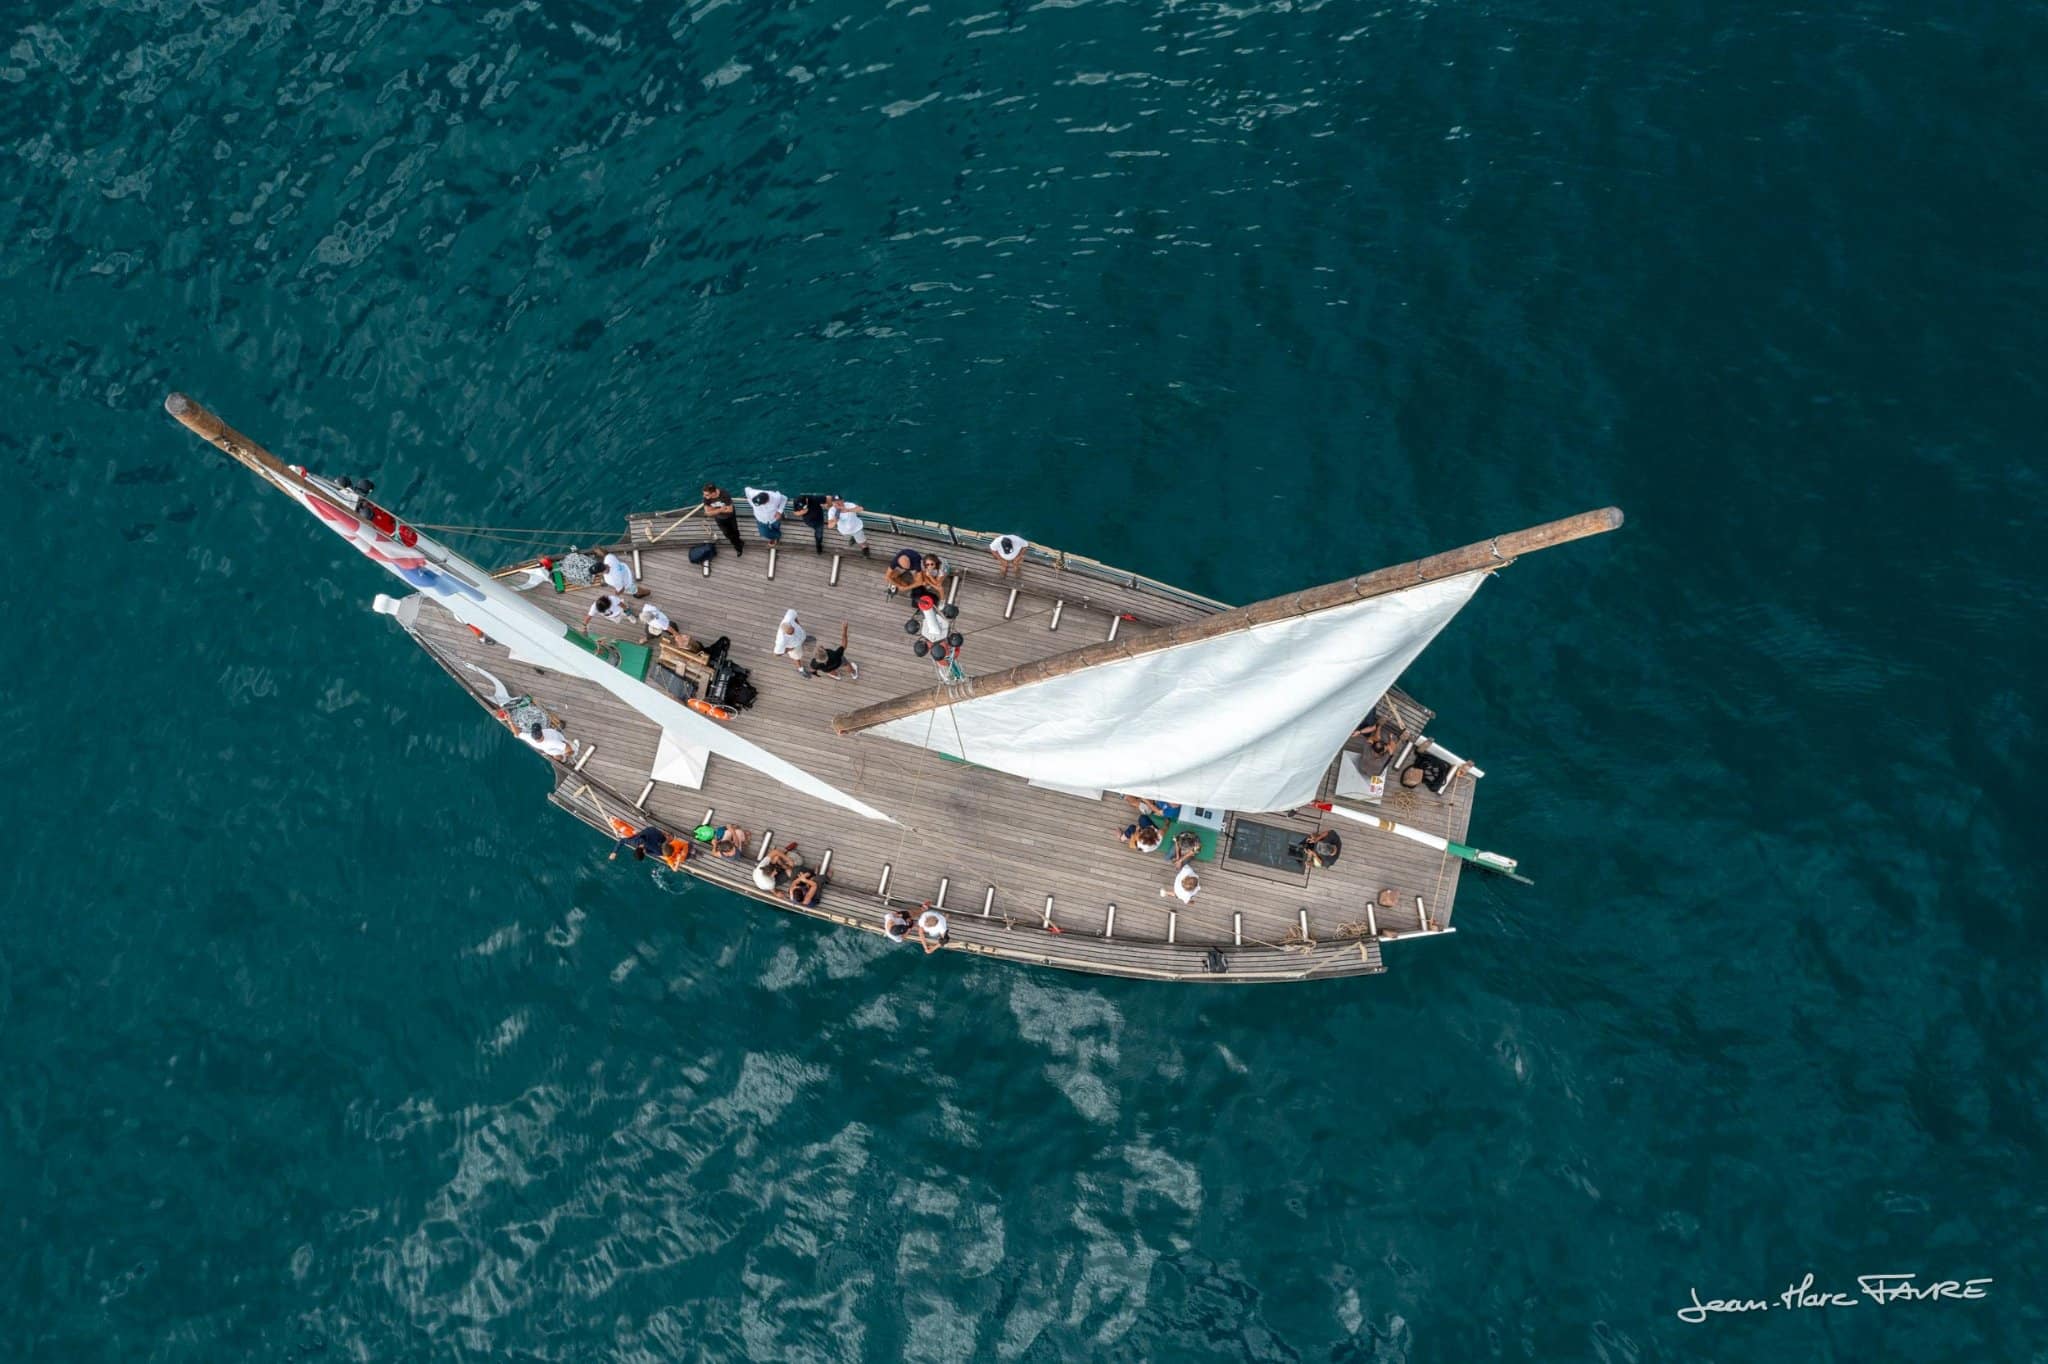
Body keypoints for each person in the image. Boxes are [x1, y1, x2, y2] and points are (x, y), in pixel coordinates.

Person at [701, 483, 744, 555]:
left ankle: (739, 543)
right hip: (719, 519)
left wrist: (714, 510)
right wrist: (721, 510)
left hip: (730, 517)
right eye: (704, 494)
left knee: (735, 531)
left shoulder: (724, 495)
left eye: (707, 494)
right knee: (727, 534)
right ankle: (738, 546)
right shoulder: (706, 498)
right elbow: (707, 513)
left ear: (714, 493)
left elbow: (730, 510)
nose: (704, 496)